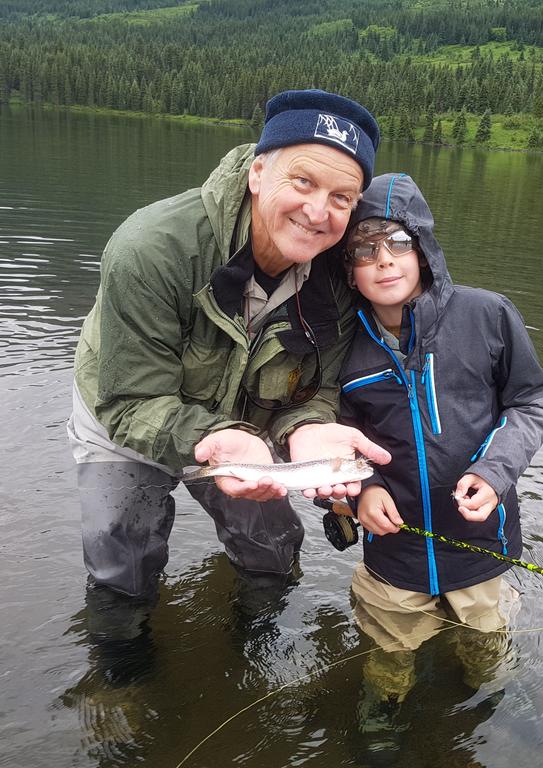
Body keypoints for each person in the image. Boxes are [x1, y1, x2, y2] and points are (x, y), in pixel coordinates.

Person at [67, 89, 392, 602]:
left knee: (274, 546)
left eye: (341, 198)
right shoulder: (152, 248)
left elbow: (320, 388)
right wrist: (214, 438)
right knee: (120, 557)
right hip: (126, 409)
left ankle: (256, 631)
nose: (317, 211)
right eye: (303, 181)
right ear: (257, 173)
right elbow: (129, 400)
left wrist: (309, 428)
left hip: (246, 430)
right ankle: (122, 664)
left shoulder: (340, 278)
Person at [334, 172, 543, 734]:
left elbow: (532, 401)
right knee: (390, 647)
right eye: (364, 249)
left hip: (480, 541)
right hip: (395, 552)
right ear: (349, 269)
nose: (384, 260)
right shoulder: (340, 346)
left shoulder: (487, 314)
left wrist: (494, 469)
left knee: (487, 638)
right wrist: (363, 490)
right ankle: (383, 710)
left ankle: (495, 694)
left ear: (424, 249)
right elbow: (333, 434)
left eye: (399, 243)